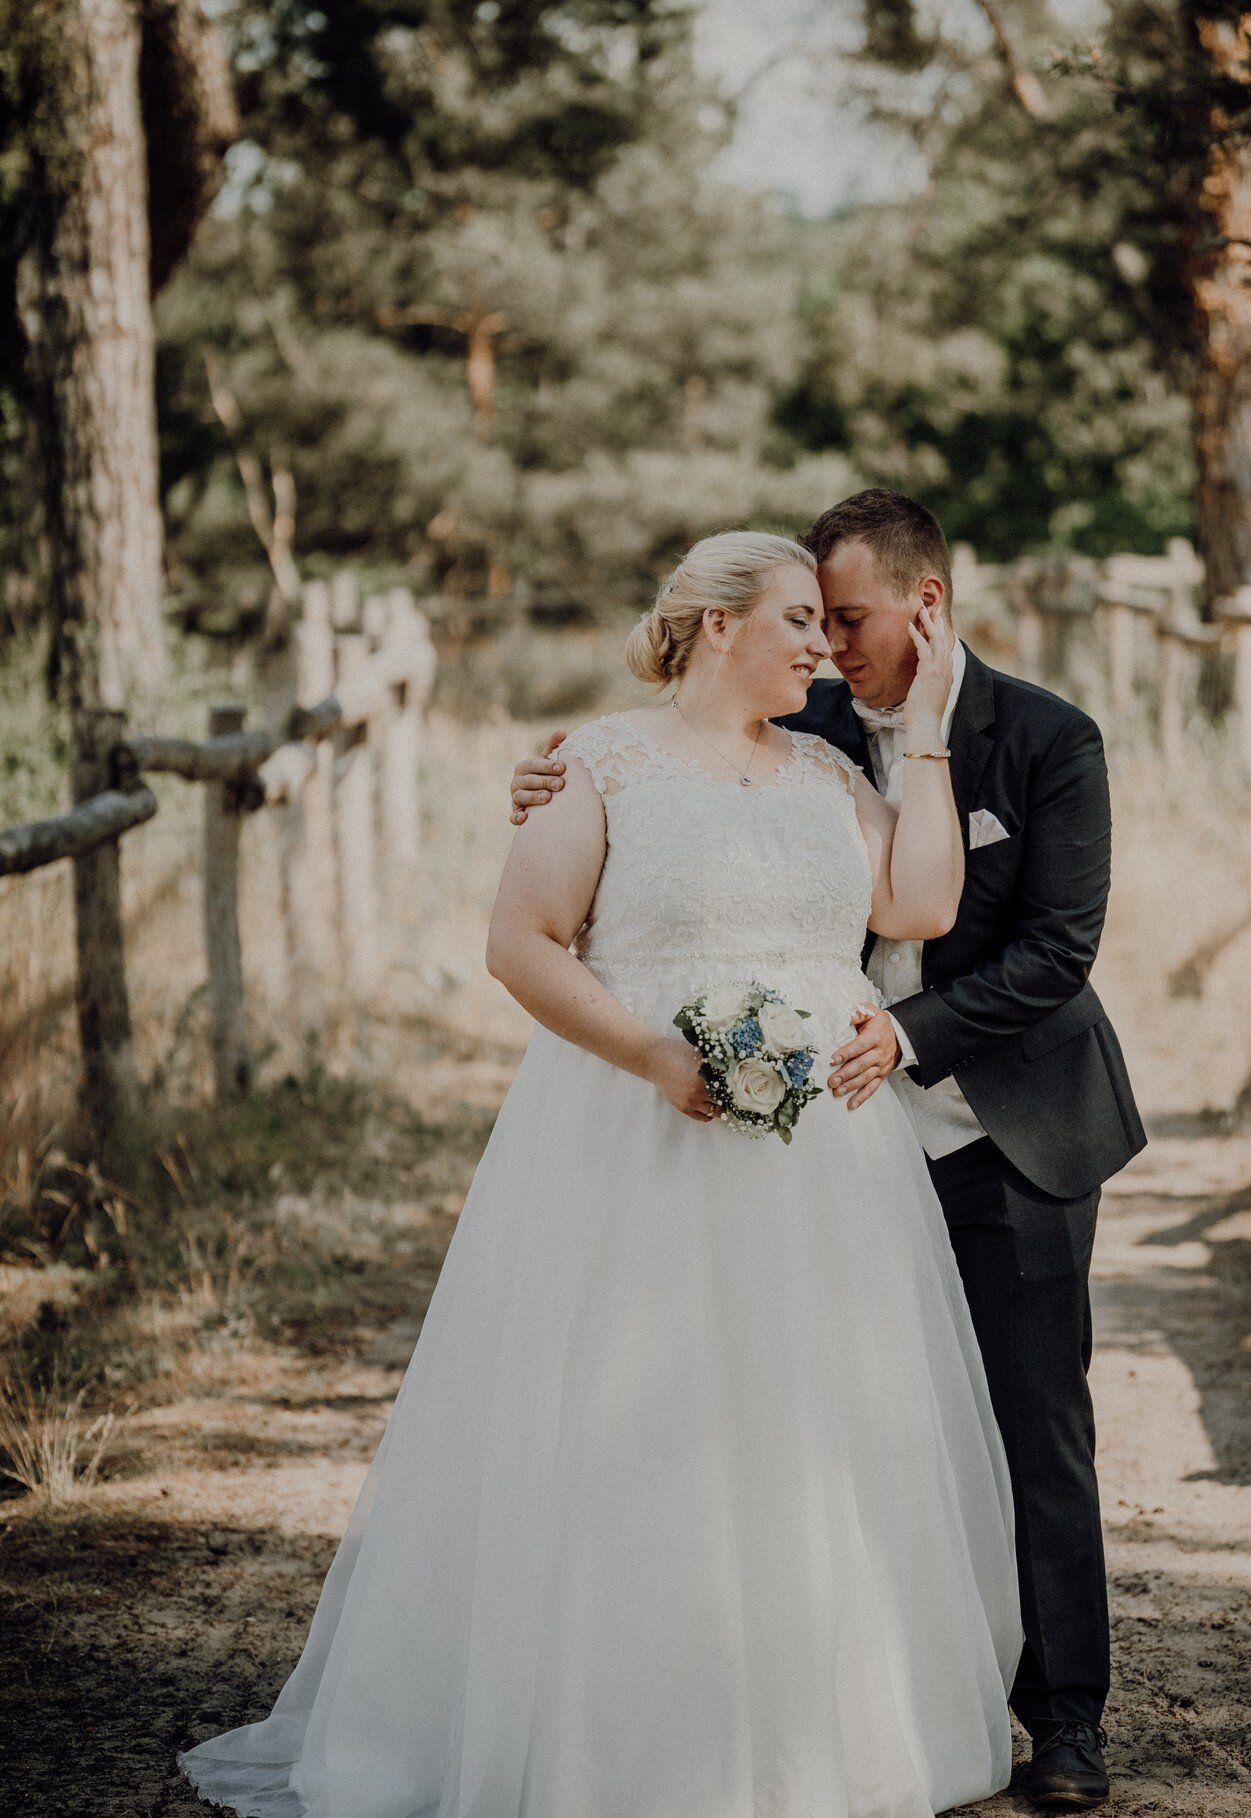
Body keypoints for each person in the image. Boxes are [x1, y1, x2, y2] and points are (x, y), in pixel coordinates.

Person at [177, 530, 1024, 1818]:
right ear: (713, 623)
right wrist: (652, 1053)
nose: (820, 643)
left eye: (822, 620)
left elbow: (915, 906)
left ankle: (821, 1730)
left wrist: (927, 739)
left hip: (823, 1171)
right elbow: (520, 944)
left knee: (809, 1424)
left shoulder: (826, 768)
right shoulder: (597, 764)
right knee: (642, 1434)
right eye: (795, 619)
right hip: (637, 1134)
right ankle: (620, 1738)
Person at [510, 491, 1148, 1812]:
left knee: (1033, 1422)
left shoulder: (1047, 738)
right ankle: (862, 1687)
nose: (829, 645)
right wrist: (545, 775)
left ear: (924, 605)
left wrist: (902, 1034)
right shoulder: (790, 708)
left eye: (848, 618)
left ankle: (1067, 1719)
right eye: (814, 619)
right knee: (844, 1428)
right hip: (820, 1149)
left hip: (998, 1128)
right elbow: (672, 777)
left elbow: (1054, 953)